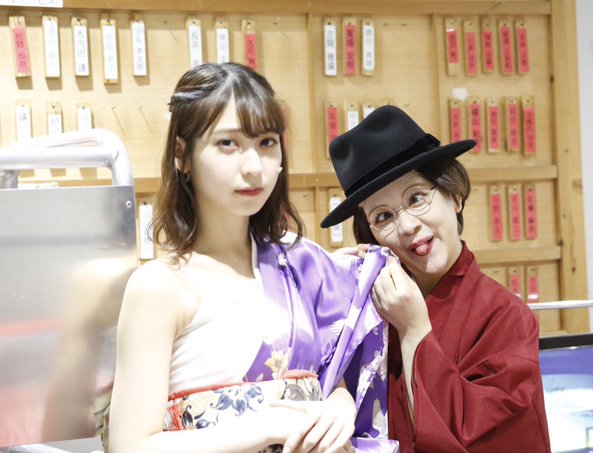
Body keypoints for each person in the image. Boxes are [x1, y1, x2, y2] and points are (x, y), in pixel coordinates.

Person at [107, 63, 398, 453]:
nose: (254, 166)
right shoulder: (159, 286)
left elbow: (328, 379)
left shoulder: (301, 264)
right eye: (228, 143)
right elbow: (130, 446)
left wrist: (340, 405)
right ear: (182, 155)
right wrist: (264, 427)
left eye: (266, 142)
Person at [321, 105, 551, 452]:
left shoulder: (507, 318)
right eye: (383, 216)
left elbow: (470, 440)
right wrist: (335, 300)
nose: (407, 226)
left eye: (416, 198)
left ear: (453, 195)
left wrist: (414, 330)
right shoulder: (369, 317)